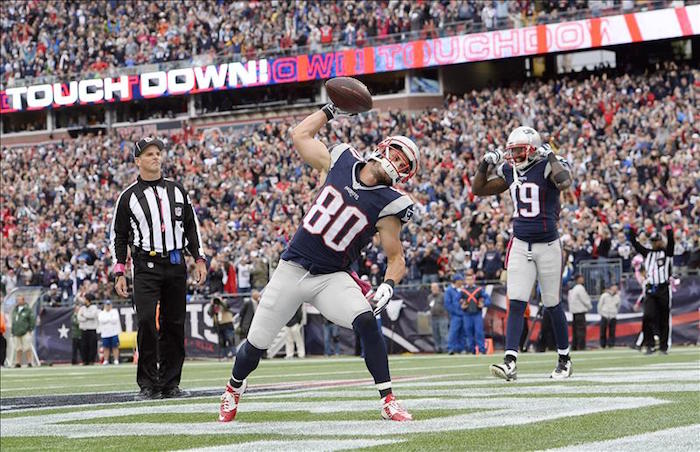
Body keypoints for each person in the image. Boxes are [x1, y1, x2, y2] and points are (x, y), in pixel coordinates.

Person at [219, 101, 419, 422]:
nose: (394, 162)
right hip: (292, 269)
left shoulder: (391, 203)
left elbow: (396, 258)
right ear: (382, 148)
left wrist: (389, 286)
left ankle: (388, 400)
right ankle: (232, 389)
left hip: (332, 277)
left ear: (405, 174)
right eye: (394, 154)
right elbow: (300, 135)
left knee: (365, 319)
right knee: (256, 345)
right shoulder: (341, 159)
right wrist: (331, 109)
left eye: (402, 162)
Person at [472, 126, 574, 380]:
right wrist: (484, 165)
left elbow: (564, 182)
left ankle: (564, 359)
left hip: (548, 244)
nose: (514, 155)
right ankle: (510, 361)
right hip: (520, 242)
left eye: (518, 149)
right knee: (516, 302)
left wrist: (551, 156)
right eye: (512, 150)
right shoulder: (509, 170)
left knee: (552, 303)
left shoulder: (550, 165)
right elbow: (479, 189)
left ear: (532, 148)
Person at [110, 137, 207, 400]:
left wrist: (199, 258)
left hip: (175, 262)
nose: (156, 157)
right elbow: (119, 235)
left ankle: (170, 383)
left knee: (174, 324)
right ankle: (148, 384)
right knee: (146, 322)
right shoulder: (128, 196)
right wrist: (119, 270)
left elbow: (191, 227)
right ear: (137, 160)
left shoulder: (178, 191)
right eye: (150, 154)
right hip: (145, 265)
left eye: (158, 153)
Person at [629, 223, 674, 354]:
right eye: (653, 241)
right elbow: (635, 243)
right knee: (648, 316)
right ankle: (649, 344)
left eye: (657, 241)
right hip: (651, 289)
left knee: (664, 318)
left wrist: (668, 228)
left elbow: (671, 241)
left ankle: (663, 347)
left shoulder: (667, 252)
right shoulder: (647, 253)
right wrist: (631, 229)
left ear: (661, 241)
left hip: (663, 288)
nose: (655, 243)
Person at [462, 269, 489, 354]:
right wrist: (461, 306)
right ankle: (471, 350)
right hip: (467, 314)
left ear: (474, 280)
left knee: (479, 332)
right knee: (468, 333)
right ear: (465, 280)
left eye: (471, 279)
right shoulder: (463, 291)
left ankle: (482, 350)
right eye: (468, 279)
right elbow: (455, 301)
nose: (469, 281)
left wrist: (483, 304)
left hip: (477, 314)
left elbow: (488, 299)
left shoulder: (479, 289)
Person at [444, 273, 466, 354]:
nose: (462, 282)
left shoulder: (463, 290)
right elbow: (447, 304)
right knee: (453, 332)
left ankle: (462, 348)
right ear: (456, 281)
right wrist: (455, 312)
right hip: (455, 315)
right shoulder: (449, 290)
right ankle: (451, 348)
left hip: (464, 314)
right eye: (460, 280)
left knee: (463, 332)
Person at [568, 274, 592, 351]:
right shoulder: (580, 288)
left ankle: (574, 346)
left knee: (575, 330)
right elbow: (585, 299)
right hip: (580, 312)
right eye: (581, 278)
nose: (583, 279)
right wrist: (589, 307)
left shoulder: (573, 289)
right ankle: (581, 346)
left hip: (574, 312)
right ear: (578, 280)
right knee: (581, 330)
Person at [11, 295, 36, 367]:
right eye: (17, 300)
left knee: (27, 347)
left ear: (23, 300)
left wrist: (30, 329)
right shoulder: (15, 310)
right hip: (16, 332)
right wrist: (13, 331)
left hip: (25, 331)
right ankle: (18, 362)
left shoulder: (27, 309)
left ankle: (29, 362)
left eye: (20, 300)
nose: (18, 301)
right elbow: (14, 321)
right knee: (18, 348)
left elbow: (32, 320)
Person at [98, 300, 122, 365]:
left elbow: (115, 320)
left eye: (109, 305)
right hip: (105, 333)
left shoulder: (114, 311)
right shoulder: (101, 313)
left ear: (111, 305)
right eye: (107, 305)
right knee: (106, 347)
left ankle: (116, 360)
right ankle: (106, 360)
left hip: (114, 332)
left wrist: (108, 319)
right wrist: (109, 319)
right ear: (104, 305)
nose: (108, 306)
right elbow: (101, 320)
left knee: (115, 347)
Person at [597, 283, 621, 348]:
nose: (615, 289)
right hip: (605, 315)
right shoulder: (604, 295)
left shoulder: (617, 297)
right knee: (603, 331)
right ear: (611, 288)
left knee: (612, 331)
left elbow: (618, 306)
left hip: (613, 316)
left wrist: (614, 313)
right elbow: (600, 305)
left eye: (616, 288)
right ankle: (602, 344)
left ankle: (611, 344)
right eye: (614, 287)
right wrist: (602, 313)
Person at [427, 282, 448, 353]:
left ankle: (445, 348)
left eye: (435, 288)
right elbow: (429, 306)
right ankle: (438, 348)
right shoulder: (429, 297)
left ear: (438, 288)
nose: (434, 289)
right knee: (435, 334)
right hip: (433, 317)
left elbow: (446, 306)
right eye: (432, 288)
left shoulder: (443, 296)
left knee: (443, 333)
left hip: (442, 317)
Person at [77, 296, 98, 365]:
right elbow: (79, 317)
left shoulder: (94, 307)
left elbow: (93, 316)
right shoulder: (82, 308)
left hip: (92, 329)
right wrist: (86, 318)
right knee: (84, 346)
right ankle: (84, 361)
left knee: (92, 346)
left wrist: (84, 315)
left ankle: (91, 360)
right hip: (84, 329)